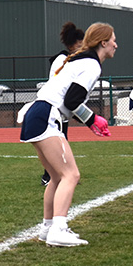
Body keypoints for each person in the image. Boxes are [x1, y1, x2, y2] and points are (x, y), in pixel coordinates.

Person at [20, 22, 115, 247]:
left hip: (38, 113)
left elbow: (69, 100)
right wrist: (92, 119)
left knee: (56, 177)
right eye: (112, 40)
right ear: (103, 42)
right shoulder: (92, 64)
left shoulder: (81, 60)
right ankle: (58, 229)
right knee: (71, 175)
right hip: (46, 115)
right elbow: (71, 100)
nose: (115, 45)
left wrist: (91, 121)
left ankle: (47, 228)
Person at [41, 22, 84, 186]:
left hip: (62, 110)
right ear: (72, 44)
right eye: (79, 45)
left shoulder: (71, 61)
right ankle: (48, 176)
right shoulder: (61, 60)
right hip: (53, 108)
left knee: (62, 141)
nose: (81, 48)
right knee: (54, 143)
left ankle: (64, 174)